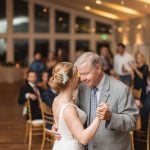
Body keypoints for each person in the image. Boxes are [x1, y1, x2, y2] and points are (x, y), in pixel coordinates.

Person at [74, 52, 138, 150]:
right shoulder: (82, 88)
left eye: (86, 74)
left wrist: (111, 117)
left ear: (98, 68)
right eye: (80, 74)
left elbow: (132, 121)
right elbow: (77, 115)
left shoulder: (121, 89)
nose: (82, 78)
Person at [51, 62, 101, 150]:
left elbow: (59, 123)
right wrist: (99, 117)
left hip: (60, 145)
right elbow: (83, 138)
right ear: (71, 80)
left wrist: (55, 127)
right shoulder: (68, 108)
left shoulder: (56, 100)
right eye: (77, 74)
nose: (79, 78)